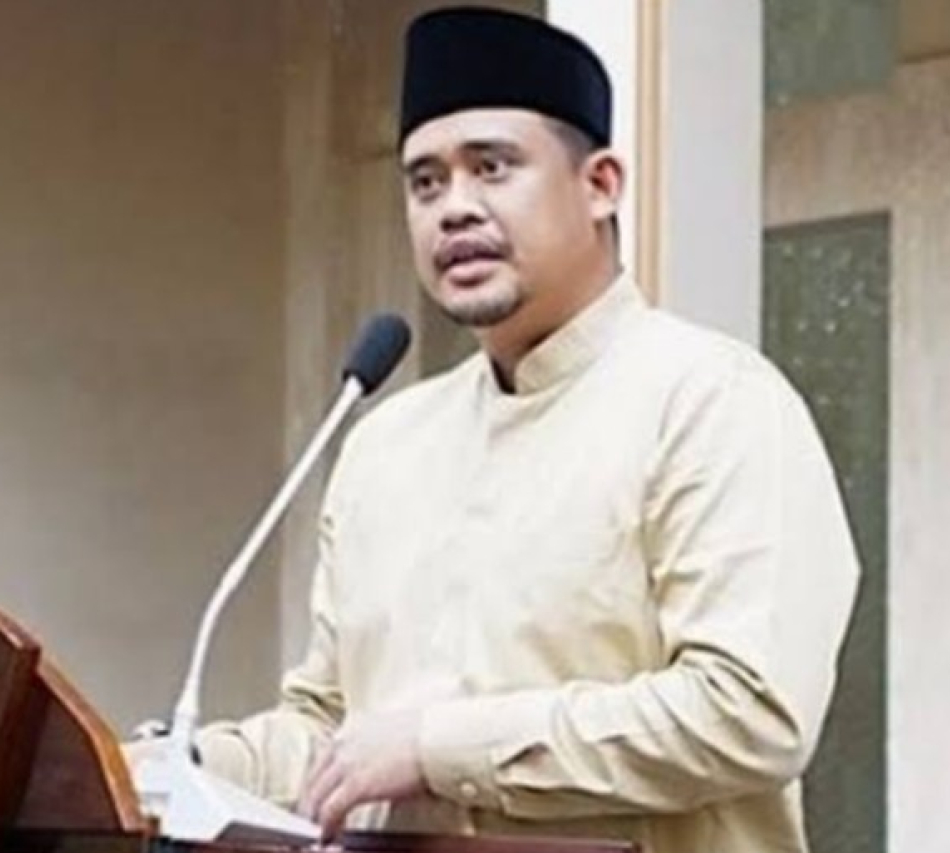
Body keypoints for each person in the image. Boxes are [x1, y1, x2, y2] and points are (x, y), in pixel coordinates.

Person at [126, 7, 860, 853]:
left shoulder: (711, 402)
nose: (454, 209)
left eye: (492, 167)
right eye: (425, 182)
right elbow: (332, 733)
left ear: (601, 184)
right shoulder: (386, 443)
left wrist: (438, 749)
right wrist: (166, 762)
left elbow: (751, 711)